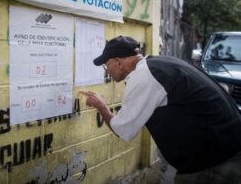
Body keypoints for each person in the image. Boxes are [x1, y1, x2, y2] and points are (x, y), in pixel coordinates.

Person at [80, 36, 241, 184]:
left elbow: (123, 130)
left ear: (118, 62)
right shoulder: (157, 65)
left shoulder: (144, 76)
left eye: (106, 65)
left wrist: (101, 106)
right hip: (225, 147)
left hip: (215, 160)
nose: (107, 70)